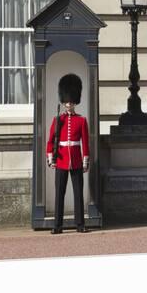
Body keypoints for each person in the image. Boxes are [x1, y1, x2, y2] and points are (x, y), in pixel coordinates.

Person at [46, 73, 90, 234]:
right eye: (66, 101)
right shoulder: (58, 120)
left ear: (75, 102)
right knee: (60, 193)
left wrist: (85, 160)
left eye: (71, 102)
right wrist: (51, 158)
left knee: (78, 193)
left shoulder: (81, 120)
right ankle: (57, 225)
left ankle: (80, 224)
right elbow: (50, 141)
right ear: (63, 102)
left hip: (77, 160)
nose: (69, 104)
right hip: (62, 160)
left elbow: (85, 141)